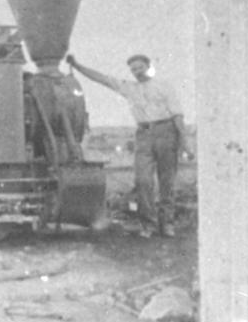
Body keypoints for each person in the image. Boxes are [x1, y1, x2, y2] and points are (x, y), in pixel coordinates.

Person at [66, 53, 193, 238]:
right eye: (133, 69)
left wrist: (185, 142)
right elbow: (102, 79)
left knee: (167, 181)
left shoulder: (164, 86)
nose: (137, 72)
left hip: (166, 133)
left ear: (149, 67)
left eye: (140, 67)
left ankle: (167, 224)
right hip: (143, 135)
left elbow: (177, 115)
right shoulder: (129, 88)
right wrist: (77, 66)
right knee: (143, 181)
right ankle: (148, 225)